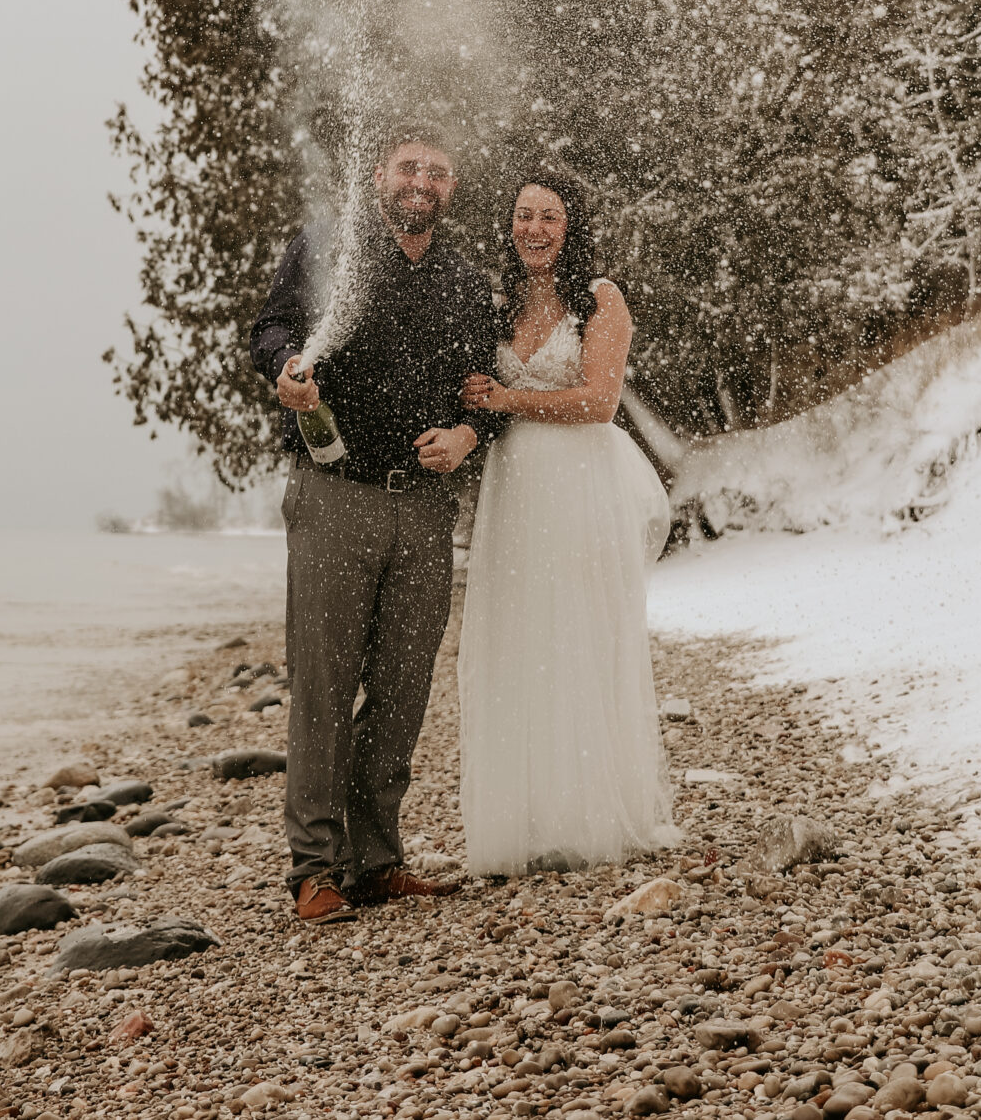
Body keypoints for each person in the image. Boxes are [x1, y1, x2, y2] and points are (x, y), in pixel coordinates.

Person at [250, 126, 504, 924]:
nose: (420, 180)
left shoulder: (465, 282)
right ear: (380, 175)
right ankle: (316, 868)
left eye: (436, 169)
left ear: (451, 188)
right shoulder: (329, 247)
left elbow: (483, 386)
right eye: (408, 167)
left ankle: (376, 858)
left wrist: (468, 433)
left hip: (425, 509)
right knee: (324, 685)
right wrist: (287, 370)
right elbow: (269, 329)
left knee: (401, 688)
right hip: (337, 493)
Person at [455, 169, 678, 877]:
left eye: (550, 216)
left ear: (571, 225)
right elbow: (477, 391)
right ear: (510, 223)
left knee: (577, 634)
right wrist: (470, 404)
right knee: (519, 633)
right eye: (524, 214)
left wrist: (506, 397)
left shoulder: (600, 298)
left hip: (580, 484)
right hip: (515, 485)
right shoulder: (498, 302)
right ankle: (528, 815)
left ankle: (586, 812)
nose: (535, 228)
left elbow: (599, 400)